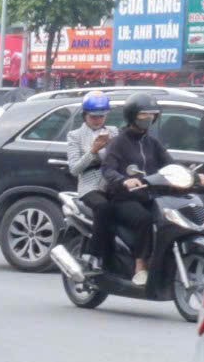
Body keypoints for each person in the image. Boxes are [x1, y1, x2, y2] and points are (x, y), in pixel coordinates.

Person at [98, 92, 170, 282]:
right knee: (144, 219)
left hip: (149, 195)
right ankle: (140, 265)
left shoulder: (152, 142)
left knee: (167, 219)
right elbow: (108, 169)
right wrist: (123, 180)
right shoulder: (118, 142)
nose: (148, 119)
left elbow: (170, 165)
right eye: (143, 115)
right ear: (132, 116)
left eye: (152, 115)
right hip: (123, 198)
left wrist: (193, 176)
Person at [65, 90, 116, 266]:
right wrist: (93, 151)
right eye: (94, 117)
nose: (98, 120)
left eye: (102, 117)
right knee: (103, 208)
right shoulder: (75, 136)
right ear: (85, 115)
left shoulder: (113, 132)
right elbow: (74, 168)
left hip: (113, 182)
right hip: (90, 185)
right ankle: (95, 254)